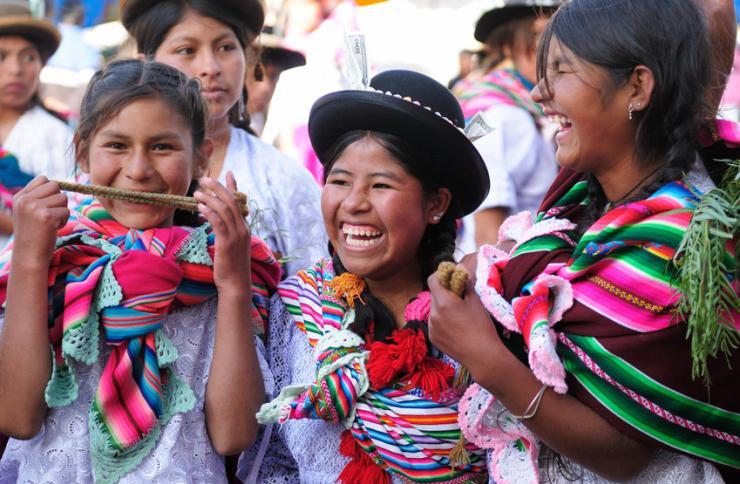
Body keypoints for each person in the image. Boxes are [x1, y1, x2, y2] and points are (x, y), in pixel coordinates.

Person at [428, 0, 739, 482]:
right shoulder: (580, 198)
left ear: (637, 87)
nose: (537, 93)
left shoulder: (677, 241)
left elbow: (621, 452)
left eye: (561, 71)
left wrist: (485, 358)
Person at [0, 59, 281, 483]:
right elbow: (16, 417)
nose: (138, 170)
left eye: (162, 147)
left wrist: (234, 283)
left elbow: (233, 435)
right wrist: (30, 261)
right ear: (81, 151)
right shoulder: (51, 258)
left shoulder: (226, 264)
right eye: (116, 146)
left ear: (201, 158)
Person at [237, 70, 491, 483]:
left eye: (381, 185)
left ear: (436, 204)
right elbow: (272, 459)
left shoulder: (474, 312)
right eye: (339, 181)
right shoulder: (294, 313)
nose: (353, 203)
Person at [121, 0, 326, 276]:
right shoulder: (113, 170)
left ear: (248, 57)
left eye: (226, 47)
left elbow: (320, 291)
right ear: (145, 65)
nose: (211, 67)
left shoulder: (282, 180)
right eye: (187, 50)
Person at [454, 0, 561, 253]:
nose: (552, 48)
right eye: (538, 36)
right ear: (507, 45)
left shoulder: (524, 109)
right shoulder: (502, 114)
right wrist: (495, 286)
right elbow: (489, 230)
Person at [0, 0, 75, 248]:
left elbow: (69, 223)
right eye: (1, 56)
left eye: (29, 57)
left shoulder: (57, 136)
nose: (15, 69)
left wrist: (10, 222)